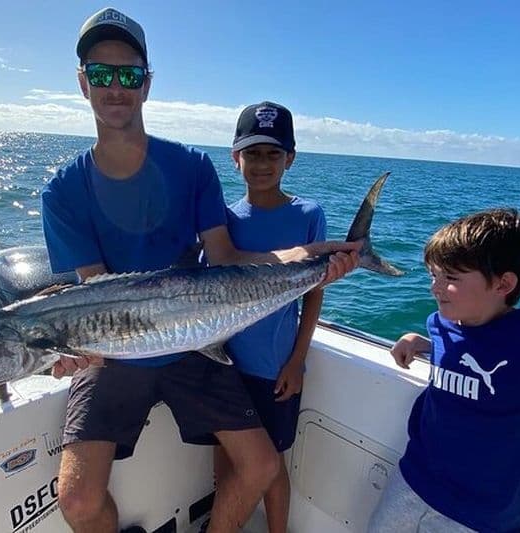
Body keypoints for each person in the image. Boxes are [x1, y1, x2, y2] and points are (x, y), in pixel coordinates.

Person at [40, 8, 361, 533]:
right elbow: (96, 295)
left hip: (194, 342)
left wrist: (308, 259)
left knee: (260, 465)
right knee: (76, 500)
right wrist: (69, 350)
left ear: (147, 84)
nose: (115, 87)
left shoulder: (191, 167)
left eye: (128, 74)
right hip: (116, 352)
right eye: (101, 73)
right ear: (82, 83)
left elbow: (229, 261)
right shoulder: (62, 191)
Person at [368, 208, 520, 533]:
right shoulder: (441, 323)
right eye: (433, 275)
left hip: (480, 518)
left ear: (503, 284)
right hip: (412, 482)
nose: (435, 288)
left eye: (450, 278)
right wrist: (420, 342)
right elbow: (467, 350)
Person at [211, 101, 324, 533]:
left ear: (289, 159)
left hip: (274, 367)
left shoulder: (308, 215)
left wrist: (296, 360)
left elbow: (313, 293)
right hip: (222, 365)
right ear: (234, 156)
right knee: (225, 459)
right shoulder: (222, 220)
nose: (262, 164)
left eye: (272, 154)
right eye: (252, 153)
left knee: (272, 464)